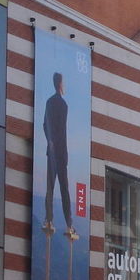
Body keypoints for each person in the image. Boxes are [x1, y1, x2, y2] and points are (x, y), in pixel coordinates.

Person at [43, 71, 77, 240]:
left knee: (50, 187)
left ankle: (48, 220)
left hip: (52, 152)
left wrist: (49, 141)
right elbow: (61, 131)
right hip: (61, 154)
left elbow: (45, 125)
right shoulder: (63, 105)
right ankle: (69, 224)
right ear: (60, 84)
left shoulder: (49, 102)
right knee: (64, 189)